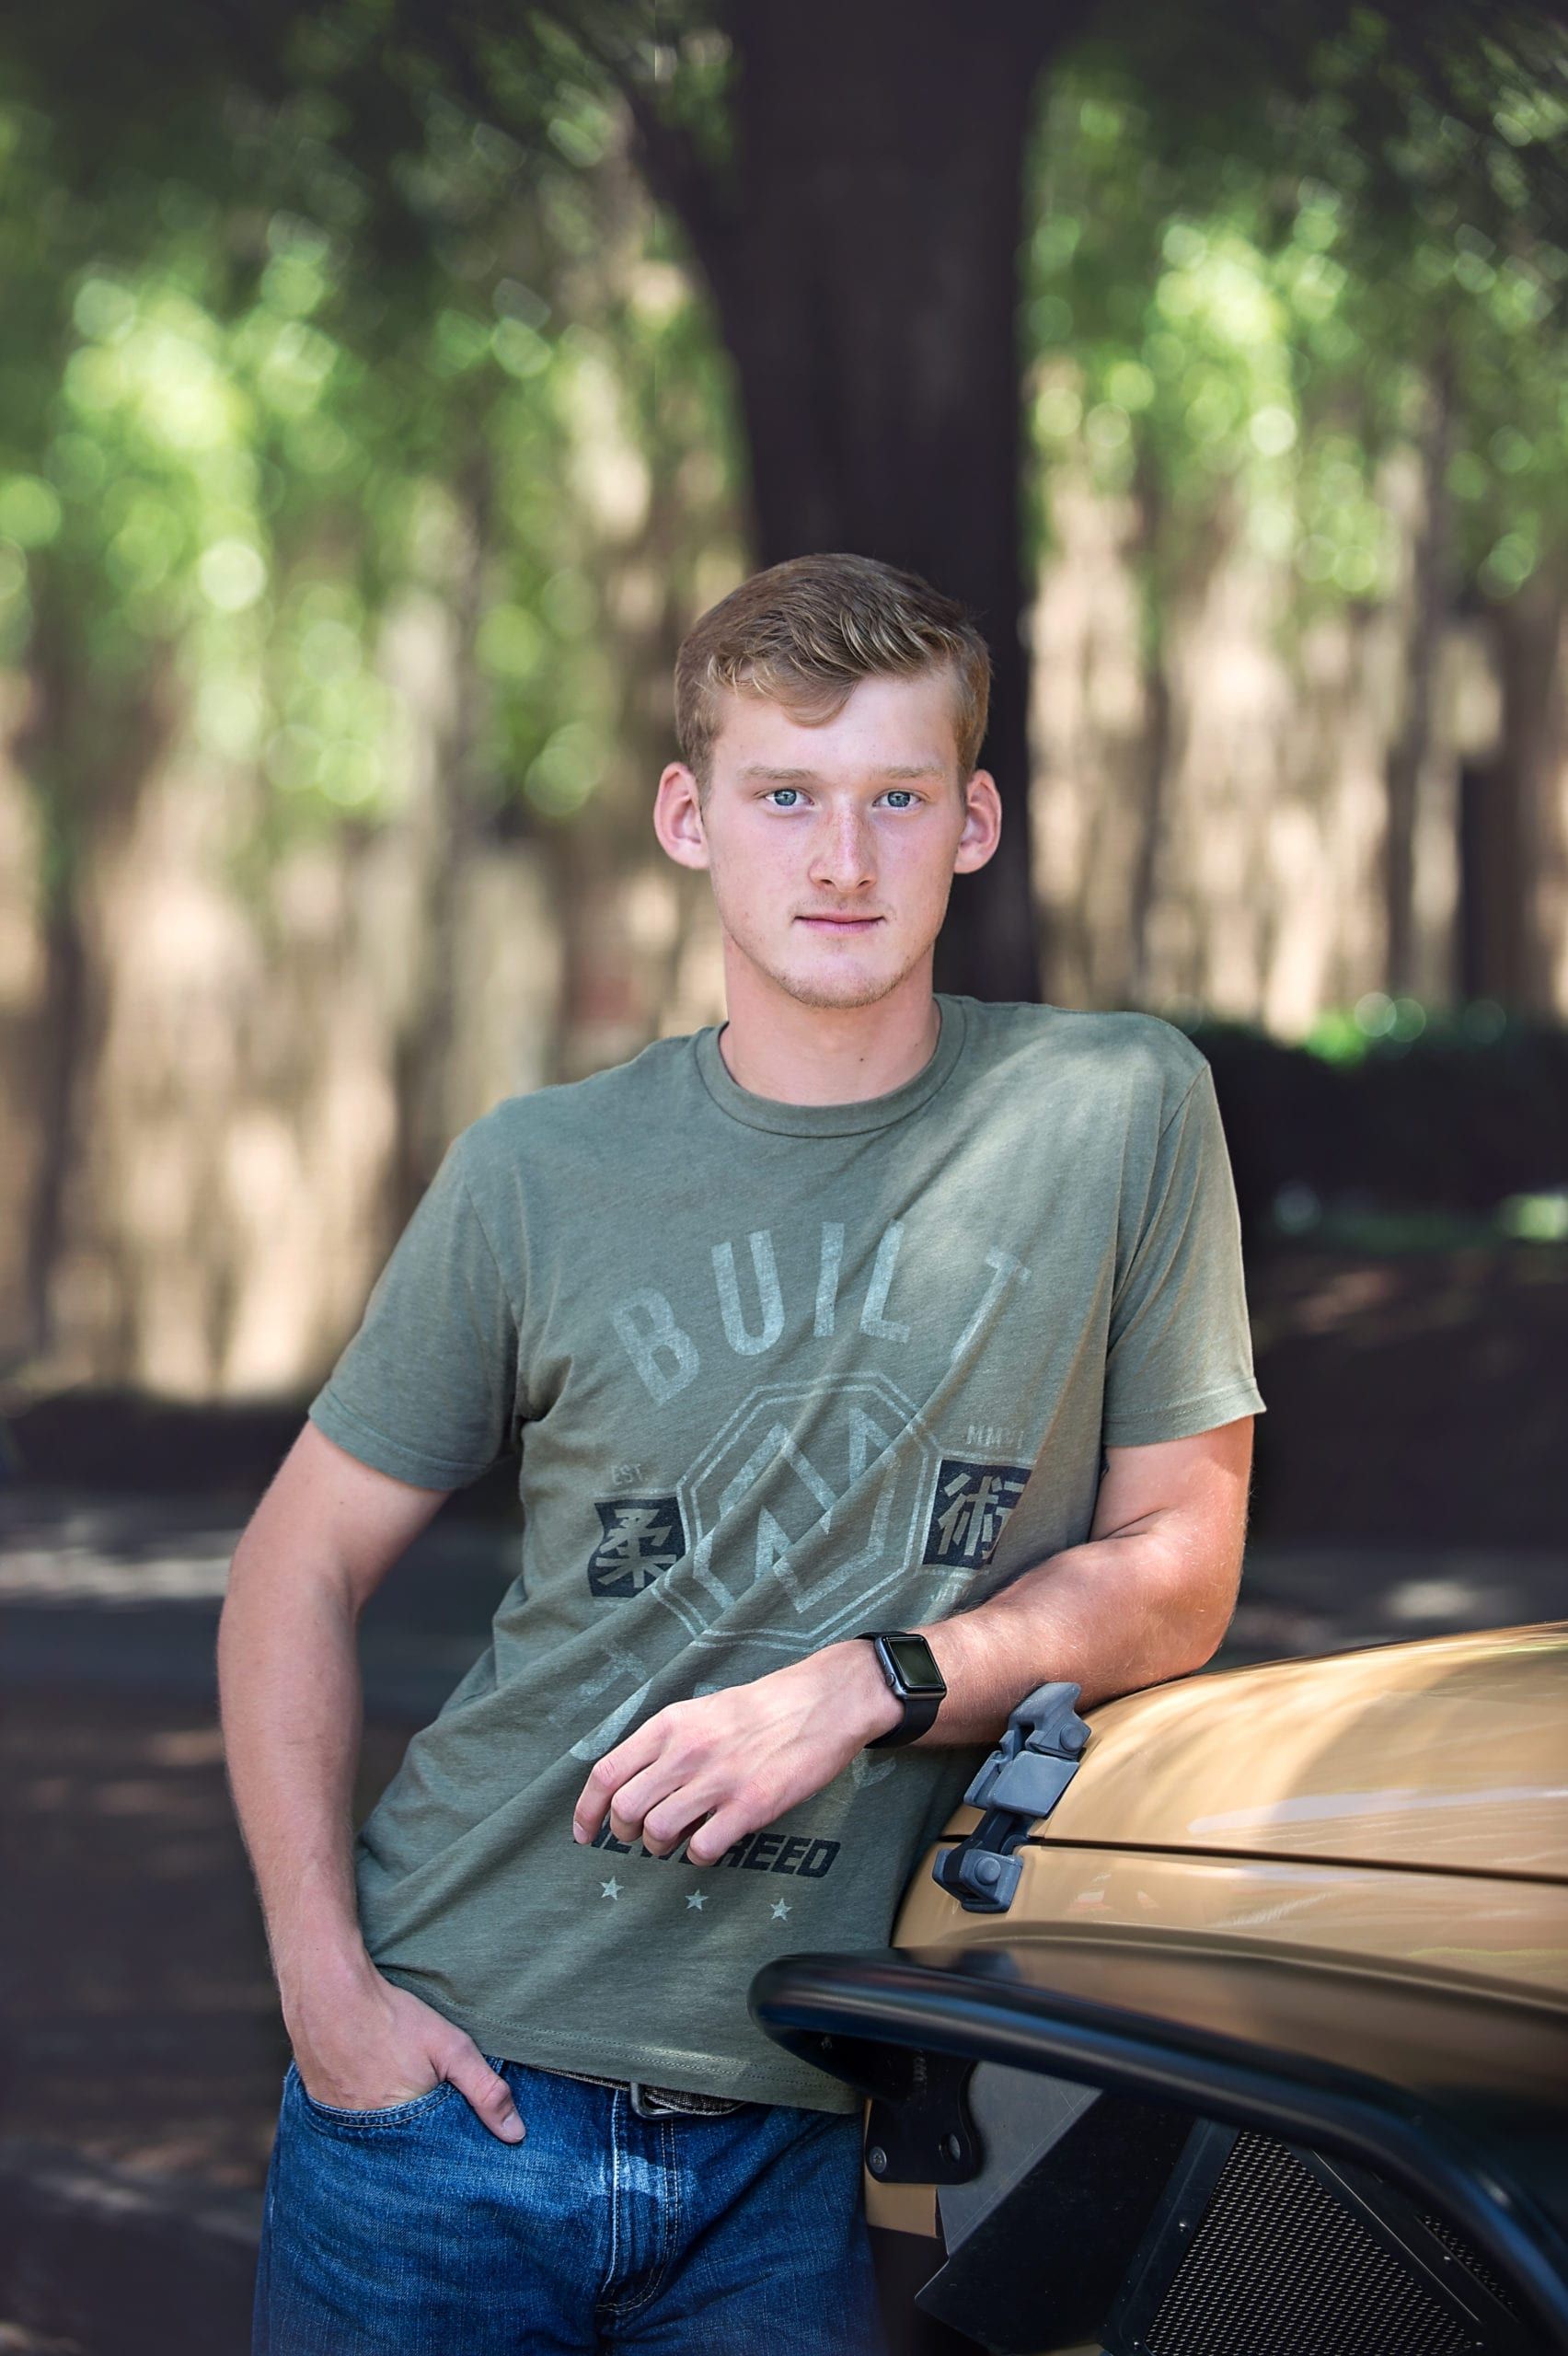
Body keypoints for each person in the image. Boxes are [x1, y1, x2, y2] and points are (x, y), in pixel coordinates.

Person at [220, 551, 1264, 2355]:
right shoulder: (537, 1169)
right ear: (692, 818)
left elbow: (1180, 1563)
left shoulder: (1116, 1111)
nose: (842, 858)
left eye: (894, 797)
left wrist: (864, 1684)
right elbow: (289, 1567)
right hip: (448, 2093)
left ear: (977, 818)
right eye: (787, 795)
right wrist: (328, 1987)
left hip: (803, 2131)